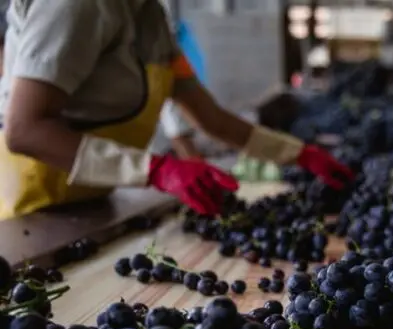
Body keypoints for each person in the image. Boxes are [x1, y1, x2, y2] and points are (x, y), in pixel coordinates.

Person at [0, 0, 353, 219]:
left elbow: (210, 117)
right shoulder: (75, 6)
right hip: (33, 205)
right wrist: (159, 170)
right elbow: (24, 130)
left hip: (95, 200)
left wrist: (298, 154)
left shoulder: (152, 18)